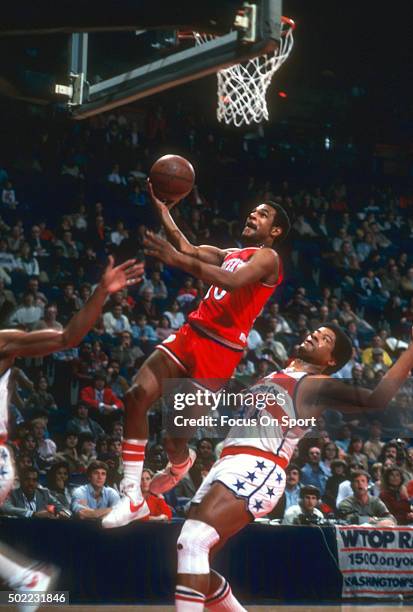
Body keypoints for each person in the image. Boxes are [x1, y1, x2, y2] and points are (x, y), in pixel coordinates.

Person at [170, 323, 413, 610]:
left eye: (325, 339)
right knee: (196, 563)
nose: (314, 335)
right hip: (228, 463)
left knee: (193, 542)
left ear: (331, 360)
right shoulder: (277, 374)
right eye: (316, 331)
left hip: (259, 465)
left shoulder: (316, 384)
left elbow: (377, 399)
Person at [103, 180, 291, 528]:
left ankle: (180, 464)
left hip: (218, 352)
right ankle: (131, 493)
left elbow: (231, 282)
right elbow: (185, 245)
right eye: (254, 210)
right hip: (190, 333)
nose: (254, 214)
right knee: (136, 395)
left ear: (274, 230)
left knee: (175, 441)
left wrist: (177, 260)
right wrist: (163, 209)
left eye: (263, 215)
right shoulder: (231, 254)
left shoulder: (269, 258)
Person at [0, 255, 143, 607]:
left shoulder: (3, 344)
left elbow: (69, 336)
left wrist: (101, 292)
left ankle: (25, 578)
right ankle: (25, 577)